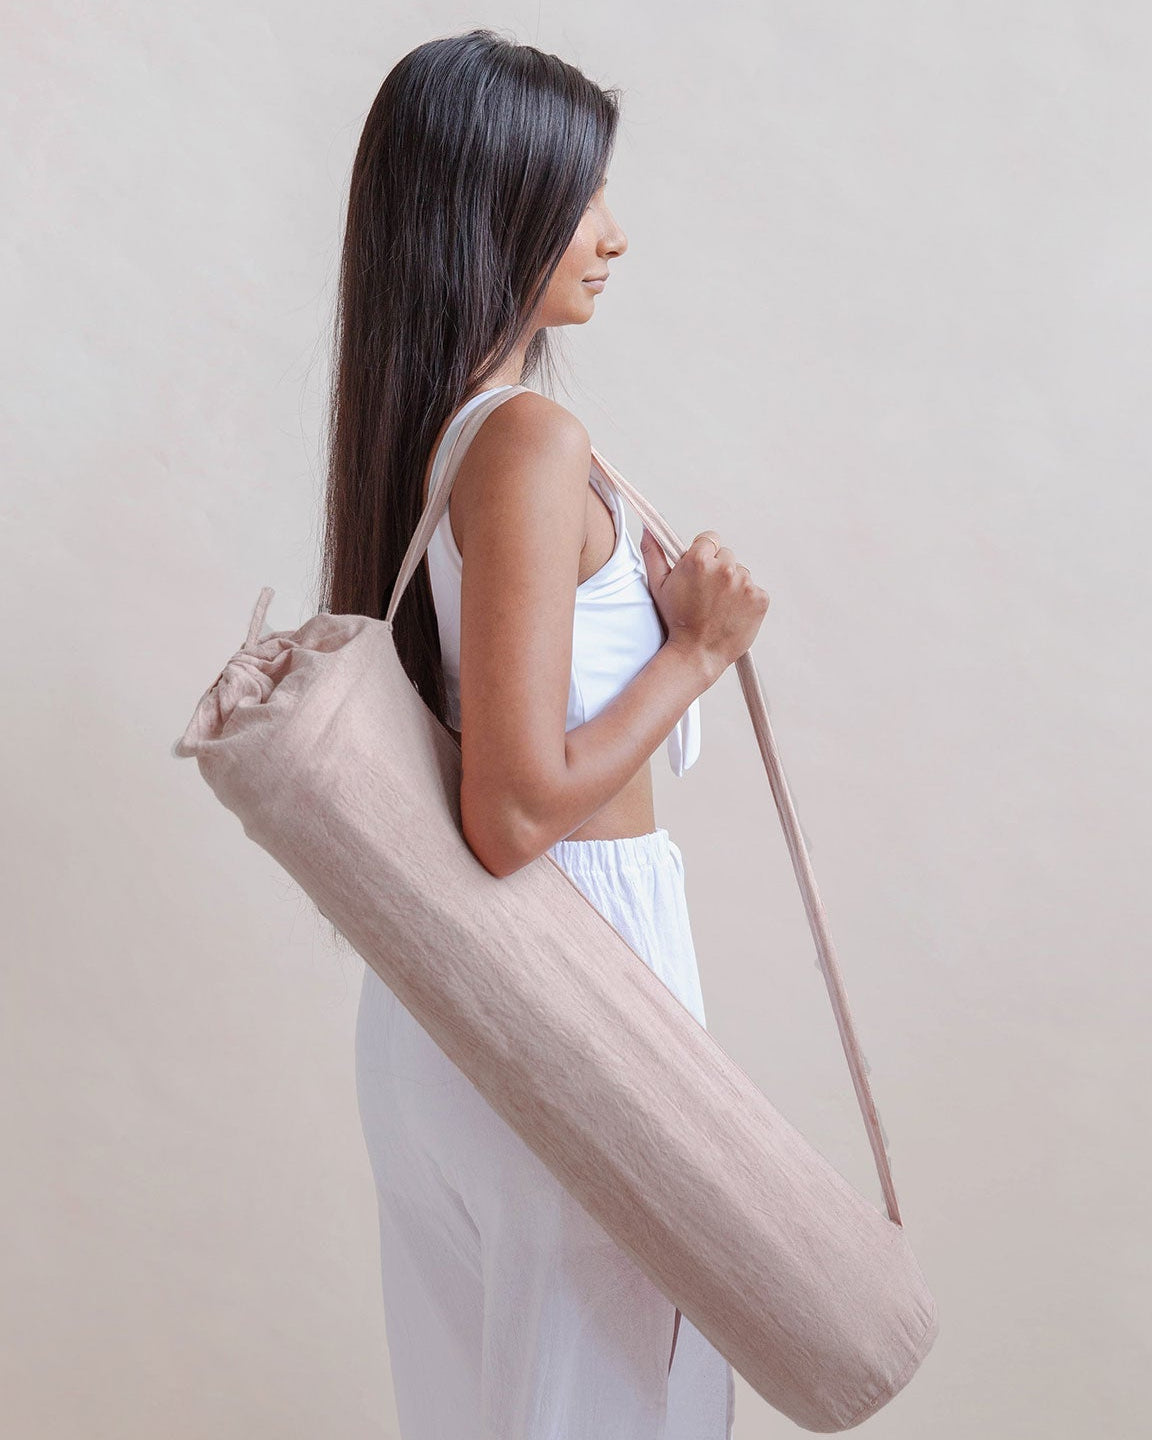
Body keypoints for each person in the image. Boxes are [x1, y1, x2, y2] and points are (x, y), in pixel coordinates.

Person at [319, 28, 769, 1440]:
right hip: (573, 982)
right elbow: (513, 812)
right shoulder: (524, 441)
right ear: (488, 206)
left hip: (451, 1004)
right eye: (581, 195)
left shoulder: (429, 432)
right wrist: (695, 653)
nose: (614, 234)